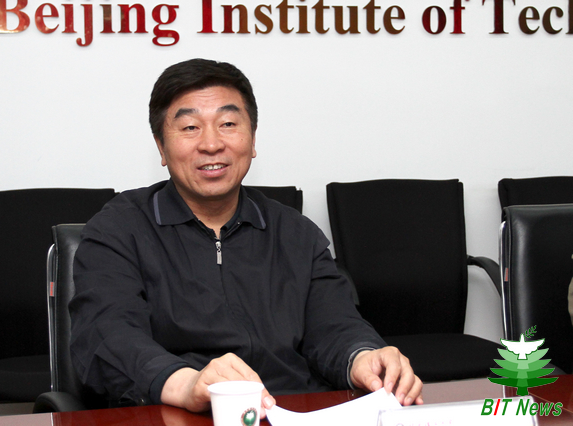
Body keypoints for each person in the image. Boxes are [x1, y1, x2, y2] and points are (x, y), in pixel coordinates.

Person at [69, 58, 423, 416]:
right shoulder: (118, 229)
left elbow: (334, 325)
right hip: (176, 414)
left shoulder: (295, 232)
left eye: (227, 124)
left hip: (291, 411)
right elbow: (107, 334)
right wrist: (186, 384)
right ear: (161, 147)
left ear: (252, 139)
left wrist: (363, 357)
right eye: (190, 127)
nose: (211, 144)